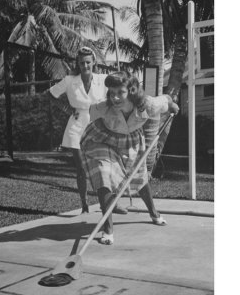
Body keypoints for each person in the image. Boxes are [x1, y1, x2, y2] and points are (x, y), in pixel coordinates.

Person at [80, 71, 179, 245]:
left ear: (132, 90)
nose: (115, 98)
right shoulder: (101, 107)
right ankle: (108, 228)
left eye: (120, 92)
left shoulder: (148, 105)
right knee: (104, 175)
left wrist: (173, 106)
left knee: (139, 177)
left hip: (131, 142)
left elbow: (166, 100)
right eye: (111, 93)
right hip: (104, 141)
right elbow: (90, 117)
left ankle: (154, 212)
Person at [49, 47, 128, 215]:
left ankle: (112, 203)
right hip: (76, 127)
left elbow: (119, 89)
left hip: (100, 126)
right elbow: (50, 94)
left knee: (107, 165)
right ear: (78, 63)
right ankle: (84, 205)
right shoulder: (70, 80)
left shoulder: (103, 79)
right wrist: (67, 109)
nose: (85, 66)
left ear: (94, 63)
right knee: (81, 169)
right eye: (82, 63)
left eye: (88, 62)